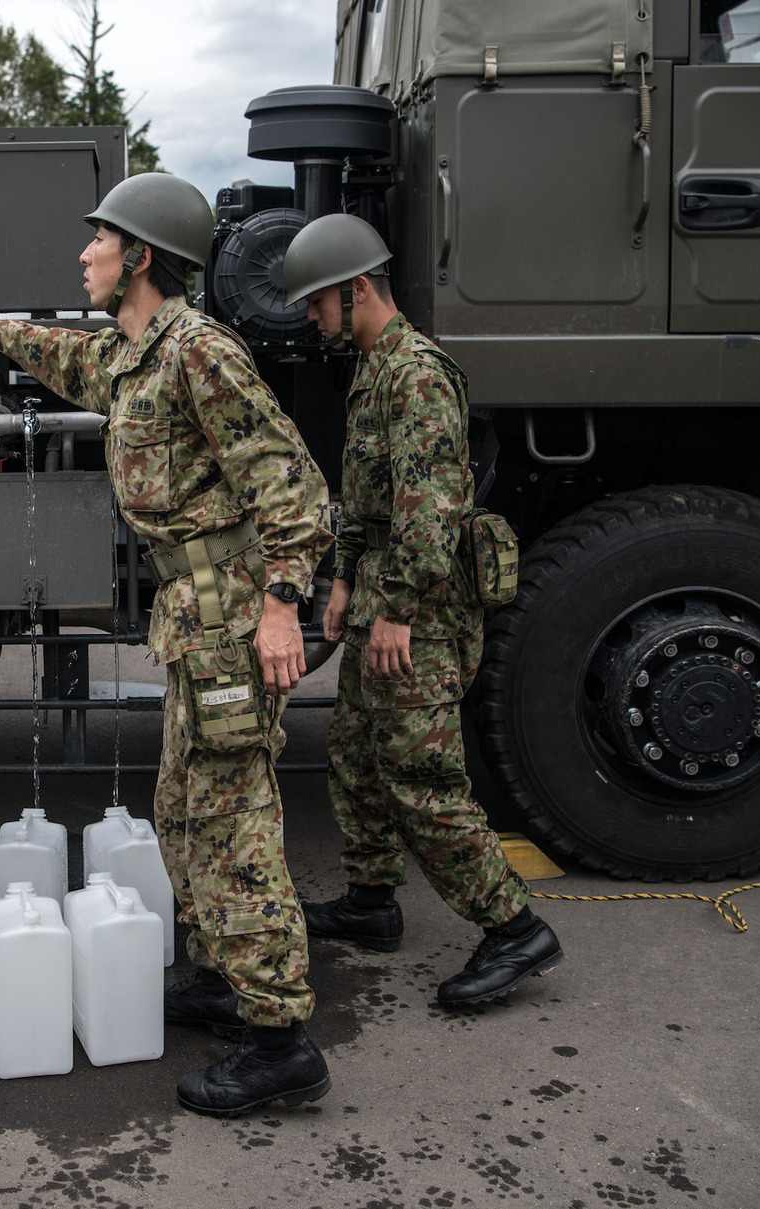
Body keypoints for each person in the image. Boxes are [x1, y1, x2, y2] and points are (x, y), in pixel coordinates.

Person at [0, 172, 335, 1117]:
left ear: (142, 259)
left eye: (99, 241)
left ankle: (280, 1039)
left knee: (232, 821)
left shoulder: (200, 353)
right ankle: (218, 977)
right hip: (193, 618)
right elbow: (61, 358)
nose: (84, 253)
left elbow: (295, 486)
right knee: (180, 807)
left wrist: (284, 605)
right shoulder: (133, 355)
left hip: (234, 614)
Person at [281, 213, 563, 1007]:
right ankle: (371, 903)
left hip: (421, 609)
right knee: (357, 757)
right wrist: (341, 581)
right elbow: (368, 505)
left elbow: (432, 510)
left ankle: (513, 928)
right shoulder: (373, 369)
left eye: (317, 302)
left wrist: (397, 607)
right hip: (380, 596)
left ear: (357, 288)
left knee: (420, 777)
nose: (310, 317)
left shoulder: (417, 376)